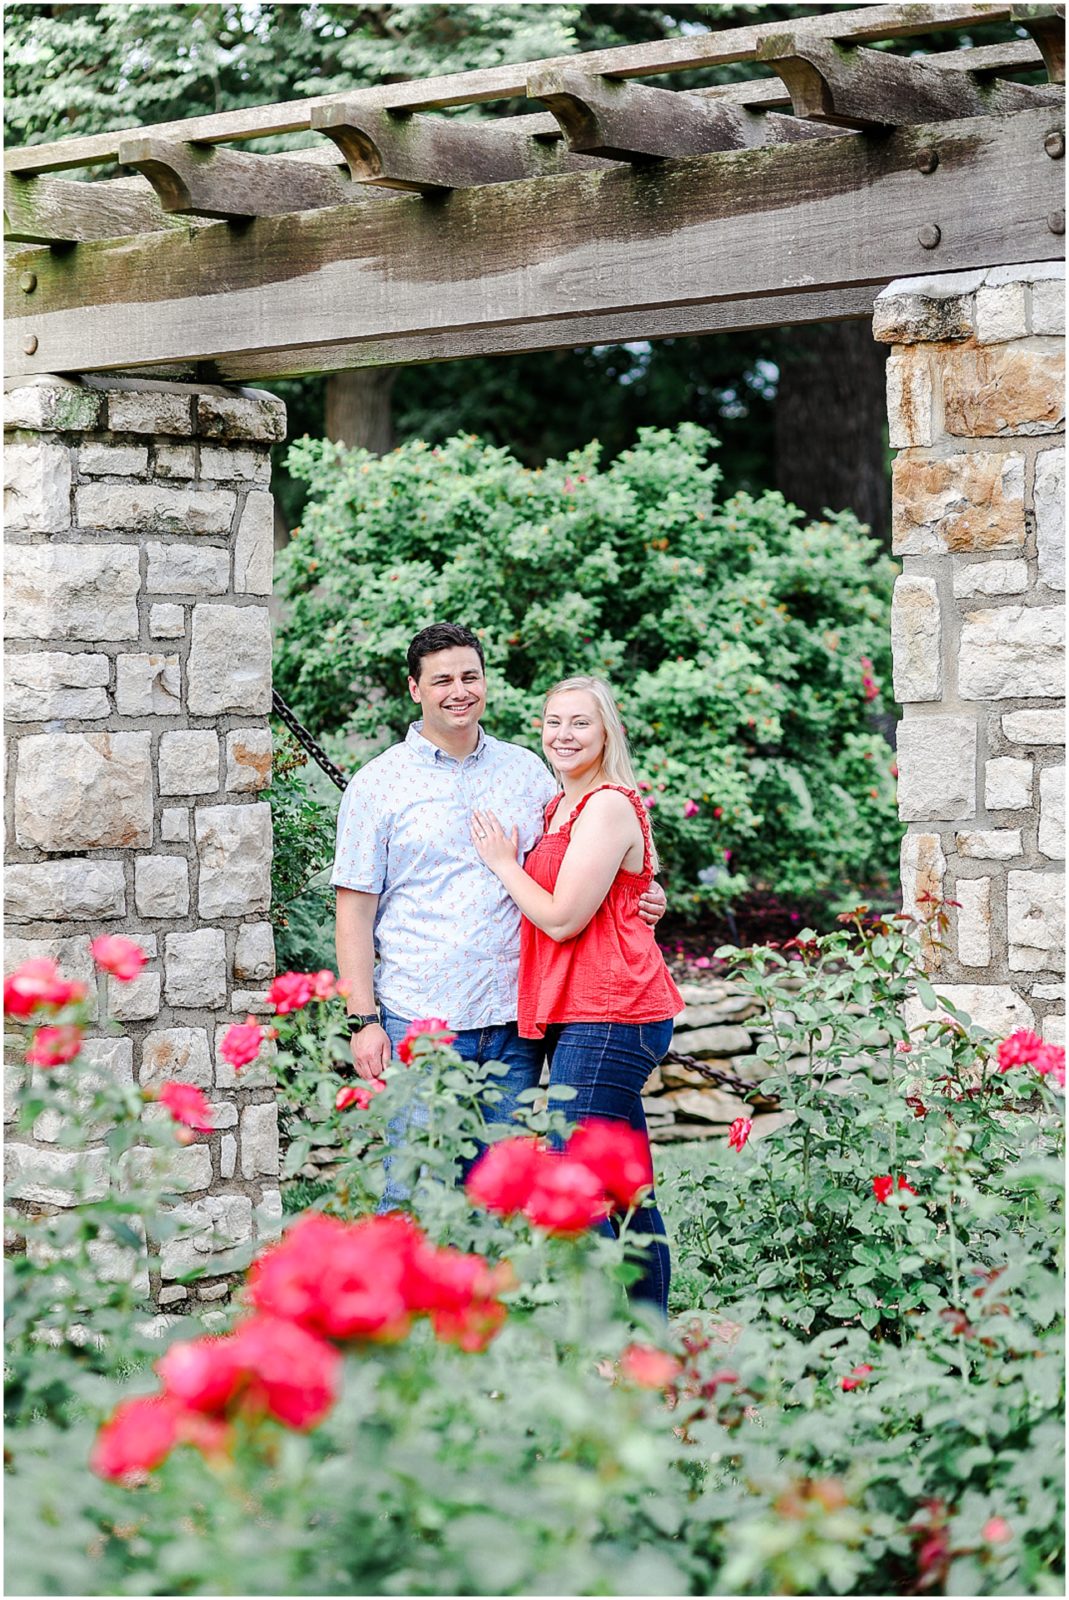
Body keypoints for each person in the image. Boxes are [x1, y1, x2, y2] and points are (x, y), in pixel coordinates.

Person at [331, 624, 665, 1204]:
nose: (458, 690)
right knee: (415, 1192)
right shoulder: (377, 784)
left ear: (485, 682)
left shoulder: (528, 772)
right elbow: (354, 913)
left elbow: (575, 862)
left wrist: (642, 897)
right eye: (441, 680)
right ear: (415, 689)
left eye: (469, 676)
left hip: (517, 1024)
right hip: (424, 1023)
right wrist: (363, 1020)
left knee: (495, 1198)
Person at [470, 674, 683, 1317]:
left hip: (614, 1012)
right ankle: (649, 1334)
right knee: (626, 1190)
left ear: (606, 731)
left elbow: (563, 917)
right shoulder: (556, 806)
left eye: (579, 723)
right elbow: (623, 892)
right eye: (553, 721)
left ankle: (598, 1333)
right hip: (579, 1010)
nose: (563, 735)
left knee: (570, 1175)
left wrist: (503, 863)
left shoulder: (609, 804)